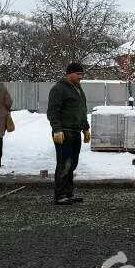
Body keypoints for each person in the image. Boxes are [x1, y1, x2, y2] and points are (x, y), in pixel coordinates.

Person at [47, 62, 91, 205]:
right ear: (69, 74)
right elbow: (53, 111)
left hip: (75, 131)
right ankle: (60, 195)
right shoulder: (59, 89)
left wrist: (85, 128)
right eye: (78, 74)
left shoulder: (77, 89)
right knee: (64, 164)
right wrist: (57, 129)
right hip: (64, 132)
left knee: (72, 164)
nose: (80, 77)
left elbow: (81, 110)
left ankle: (68, 193)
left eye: (81, 74)